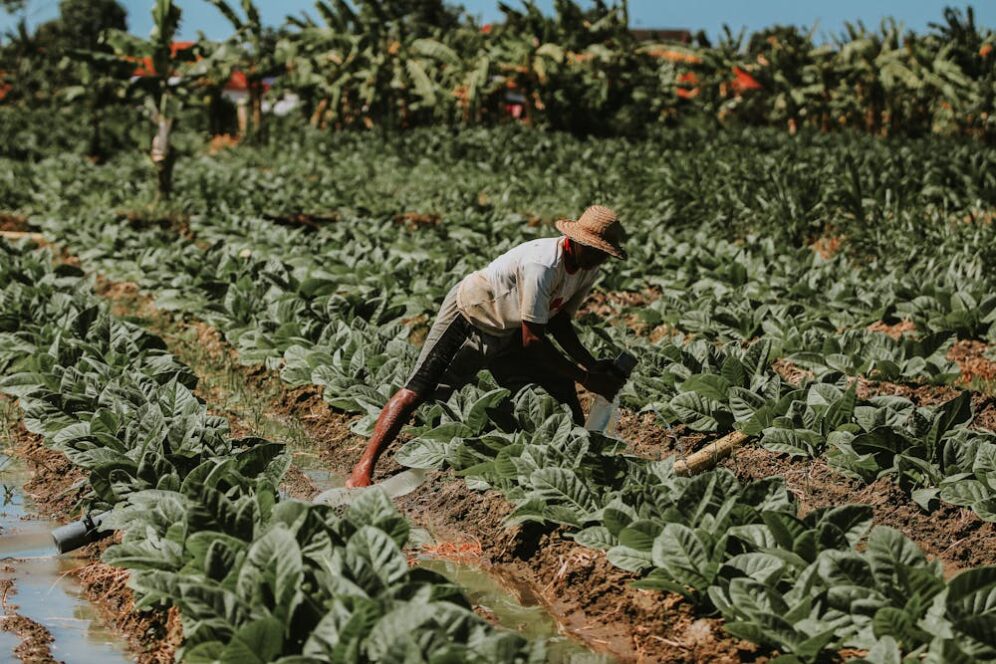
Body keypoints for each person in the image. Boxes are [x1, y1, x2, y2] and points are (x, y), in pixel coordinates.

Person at [346, 205, 628, 488]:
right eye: (592, 250)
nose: (597, 258)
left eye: (603, 254)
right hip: (472, 314)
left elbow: (559, 322)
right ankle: (363, 467)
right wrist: (588, 379)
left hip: (511, 326)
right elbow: (533, 341)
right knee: (419, 390)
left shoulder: (587, 269)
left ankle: (579, 461)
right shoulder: (542, 265)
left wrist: (589, 365)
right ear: (574, 241)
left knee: (560, 383)